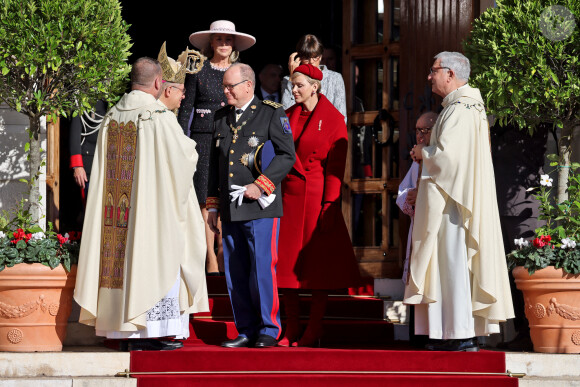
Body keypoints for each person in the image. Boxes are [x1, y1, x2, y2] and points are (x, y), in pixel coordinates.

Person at [74, 52, 208, 351]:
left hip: (115, 213)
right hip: (149, 212)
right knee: (152, 257)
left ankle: (120, 333)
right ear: (160, 82)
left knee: (118, 258)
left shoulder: (111, 115)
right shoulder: (157, 116)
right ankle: (147, 334)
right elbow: (184, 159)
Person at [405, 51, 514, 351]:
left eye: (434, 70)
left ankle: (459, 334)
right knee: (449, 265)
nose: (429, 76)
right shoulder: (462, 106)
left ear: (450, 74)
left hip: (454, 205)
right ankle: (451, 333)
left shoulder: (462, 109)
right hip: (454, 196)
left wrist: (421, 153)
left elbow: (448, 159)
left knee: (452, 264)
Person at [206, 63, 295, 348]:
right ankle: (245, 328)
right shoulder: (221, 117)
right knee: (235, 269)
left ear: (248, 86)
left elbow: (286, 156)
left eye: (231, 86)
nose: (226, 91)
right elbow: (215, 165)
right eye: (224, 86)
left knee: (261, 268)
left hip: (261, 206)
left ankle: (269, 328)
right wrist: (212, 206)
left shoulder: (271, 112)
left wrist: (262, 184)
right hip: (231, 206)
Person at [277, 64, 360, 347]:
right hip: (288, 197)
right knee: (285, 266)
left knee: (316, 269)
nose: (294, 89)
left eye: (299, 84)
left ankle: (313, 328)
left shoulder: (334, 119)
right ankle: (291, 327)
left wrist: (330, 205)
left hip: (316, 197)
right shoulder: (286, 116)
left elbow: (336, 167)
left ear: (315, 86)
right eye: (292, 84)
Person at [178, 20, 256, 276]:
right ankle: (210, 259)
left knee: (227, 194)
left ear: (234, 44)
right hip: (202, 141)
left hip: (232, 140)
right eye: (219, 39)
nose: (224, 43)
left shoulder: (241, 72)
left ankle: (224, 252)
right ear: (211, 42)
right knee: (204, 199)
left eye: (228, 39)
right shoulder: (197, 70)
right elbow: (186, 108)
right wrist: (181, 142)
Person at [396, 112, 438, 283]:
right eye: (417, 131)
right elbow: (401, 193)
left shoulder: (441, 158)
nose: (420, 135)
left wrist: (422, 195)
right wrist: (409, 198)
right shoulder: (417, 161)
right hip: (419, 227)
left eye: (425, 130)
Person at [281, 34, 346, 121]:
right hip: (298, 132)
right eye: (307, 58)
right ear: (299, 58)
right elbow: (285, 115)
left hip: (325, 131)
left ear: (320, 56)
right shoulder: (288, 80)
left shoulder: (334, 78)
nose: (311, 62)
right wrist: (293, 78)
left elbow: (341, 117)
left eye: (315, 57)